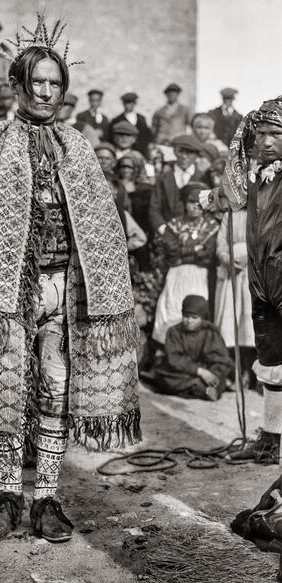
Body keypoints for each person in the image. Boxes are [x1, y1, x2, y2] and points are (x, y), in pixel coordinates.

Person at [0, 20, 141, 545]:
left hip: (66, 291)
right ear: (18, 85)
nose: (46, 92)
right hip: (5, 294)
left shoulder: (77, 145)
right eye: (37, 82)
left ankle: (46, 496)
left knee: (55, 391)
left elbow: (100, 223)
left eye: (54, 84)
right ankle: (7, 496)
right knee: (8, 391)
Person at [201, 96, 282, 465]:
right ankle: (271, 438)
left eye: (275, 134)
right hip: (261, 279)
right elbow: (229, 198)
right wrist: (209, 197)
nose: (265, 142)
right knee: (270, 360)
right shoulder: (253, 176)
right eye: (261, 134)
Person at [152, 182, 219, 344]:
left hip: (199, 274)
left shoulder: (211, 226)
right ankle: (167, 347)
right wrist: (195, 249)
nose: (195, 207)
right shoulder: (175, 224)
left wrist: (186, 252)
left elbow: (207, 255)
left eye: (199, 204)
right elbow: (172, 252)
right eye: (191, 203)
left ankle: (195, 349)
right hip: (176, 273)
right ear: (184, 203)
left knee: (196, 308)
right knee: (171, 307)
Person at [155, 295, 232, 400]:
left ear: (202, 317)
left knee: (218, 376)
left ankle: (200, 388)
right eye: (186, 316)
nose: (189, 321)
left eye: (194, 317)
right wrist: (199, 371)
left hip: (207, 371)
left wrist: (211, 373)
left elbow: (220, 359)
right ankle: (201, 388)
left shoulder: (210, 332)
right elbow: (175, 359)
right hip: (183, 371)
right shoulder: (174, 332)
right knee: (165, 377)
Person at [214, 210, 256, 389]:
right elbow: (221, 241)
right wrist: (226, 258)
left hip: (251, 269)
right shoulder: (228, 215)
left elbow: (261, 239)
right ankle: (233, 372)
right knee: (229, 322)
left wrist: (245, 258)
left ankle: (250, 372)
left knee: (248, 325)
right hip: (231, 270)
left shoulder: (259, 211)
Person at [149, 134, 204, 236]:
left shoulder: (203, 178)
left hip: (196, 234)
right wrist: (164, 230)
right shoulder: (163, 178)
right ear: (174, 152)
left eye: (189, 153)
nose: (184, 156)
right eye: (181, 151)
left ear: (196, 155)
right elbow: (154, 208)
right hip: (167, 232)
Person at [110, 92, 153, 158]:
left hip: (141, 152)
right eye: (126, 103)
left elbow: (146, 136)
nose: (128, 106)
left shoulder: (141, 119)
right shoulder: (117, 120)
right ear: (123, 104)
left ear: (135, 104)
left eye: (131, 103)